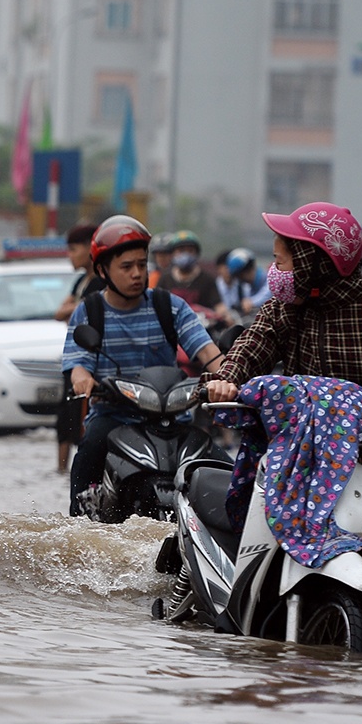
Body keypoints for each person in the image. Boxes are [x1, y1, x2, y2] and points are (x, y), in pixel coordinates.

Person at [206, 202, 362, 635]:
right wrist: (226, 380)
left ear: (314, 261)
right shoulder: (285, 309)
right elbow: (250, 347)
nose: (275, 269)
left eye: (282, 259)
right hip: (309, 467)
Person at [60, 216, 224, 517]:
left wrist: (227, 377)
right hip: (114, 416)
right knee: (88, 452)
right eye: (126, 267)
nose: (137, 274)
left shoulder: (169, 306)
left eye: (141, 264)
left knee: (227, 471)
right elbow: (78, 364)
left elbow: (207, 353)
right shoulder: (90, 310)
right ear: (102, 271)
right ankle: (79, 528)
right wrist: (82, 379)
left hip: (173, 417)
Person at [53, 222, 102, 475]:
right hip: (73, 358)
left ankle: (82, 471)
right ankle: (61, 471)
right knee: (65, 416)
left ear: (89, 248)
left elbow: (67, 310)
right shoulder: (82, 282)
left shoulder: (100, 284)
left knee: (84, 419)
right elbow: (60, 311)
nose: (69, 255)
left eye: (73, 249)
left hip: (93, 360)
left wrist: (72, 308)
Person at [160, 230, 231, 322]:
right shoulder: (165, 279)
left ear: (197, 254)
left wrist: (226, 316)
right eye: (181, 251)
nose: (185, 254)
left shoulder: (207, 279)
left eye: (190, 251)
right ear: (173, 254)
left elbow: (218, 305)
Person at [218, 247, 268, 319]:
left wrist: (252, 302)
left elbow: (268, 293)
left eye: (239, 275)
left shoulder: (268, 278)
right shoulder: (248, 287)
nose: (240, 279)